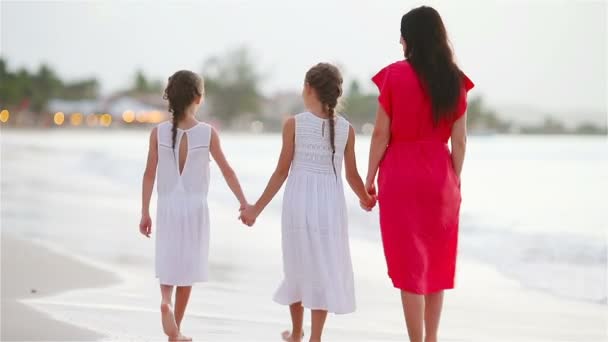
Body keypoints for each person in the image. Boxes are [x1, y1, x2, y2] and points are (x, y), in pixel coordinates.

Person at [239, 63, 376, 342]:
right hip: (331, 206)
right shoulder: (346, 129)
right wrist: (366, 198)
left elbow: (281, 172)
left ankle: (298, 332)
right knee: (322, 267)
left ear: (309, 89)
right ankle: (314, 336)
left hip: (299, 202)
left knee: (297, 265)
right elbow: (352, 175)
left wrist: (255, 209)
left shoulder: (294, 123)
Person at [365, 6, 474, 342]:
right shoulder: (454, 79)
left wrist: (368, 178)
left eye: (401, 34)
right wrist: (454, 180)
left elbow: (381, 134)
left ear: (408, 38)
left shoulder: (394, 76)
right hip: (440, 178)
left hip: (401, 174)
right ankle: (432, 338)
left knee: (409, 267)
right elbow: (459, 140)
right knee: (436, 267)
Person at [139, 70, 248, 341]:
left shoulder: (158, 132)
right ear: (199, 98)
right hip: (195, 209)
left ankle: (165, 300)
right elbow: (228, 171)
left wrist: (144, 211)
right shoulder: (207, 133)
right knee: (187, 270)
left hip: (167, 207)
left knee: (168, 263)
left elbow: (149, 174)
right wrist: (244, 202)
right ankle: (176, 330)